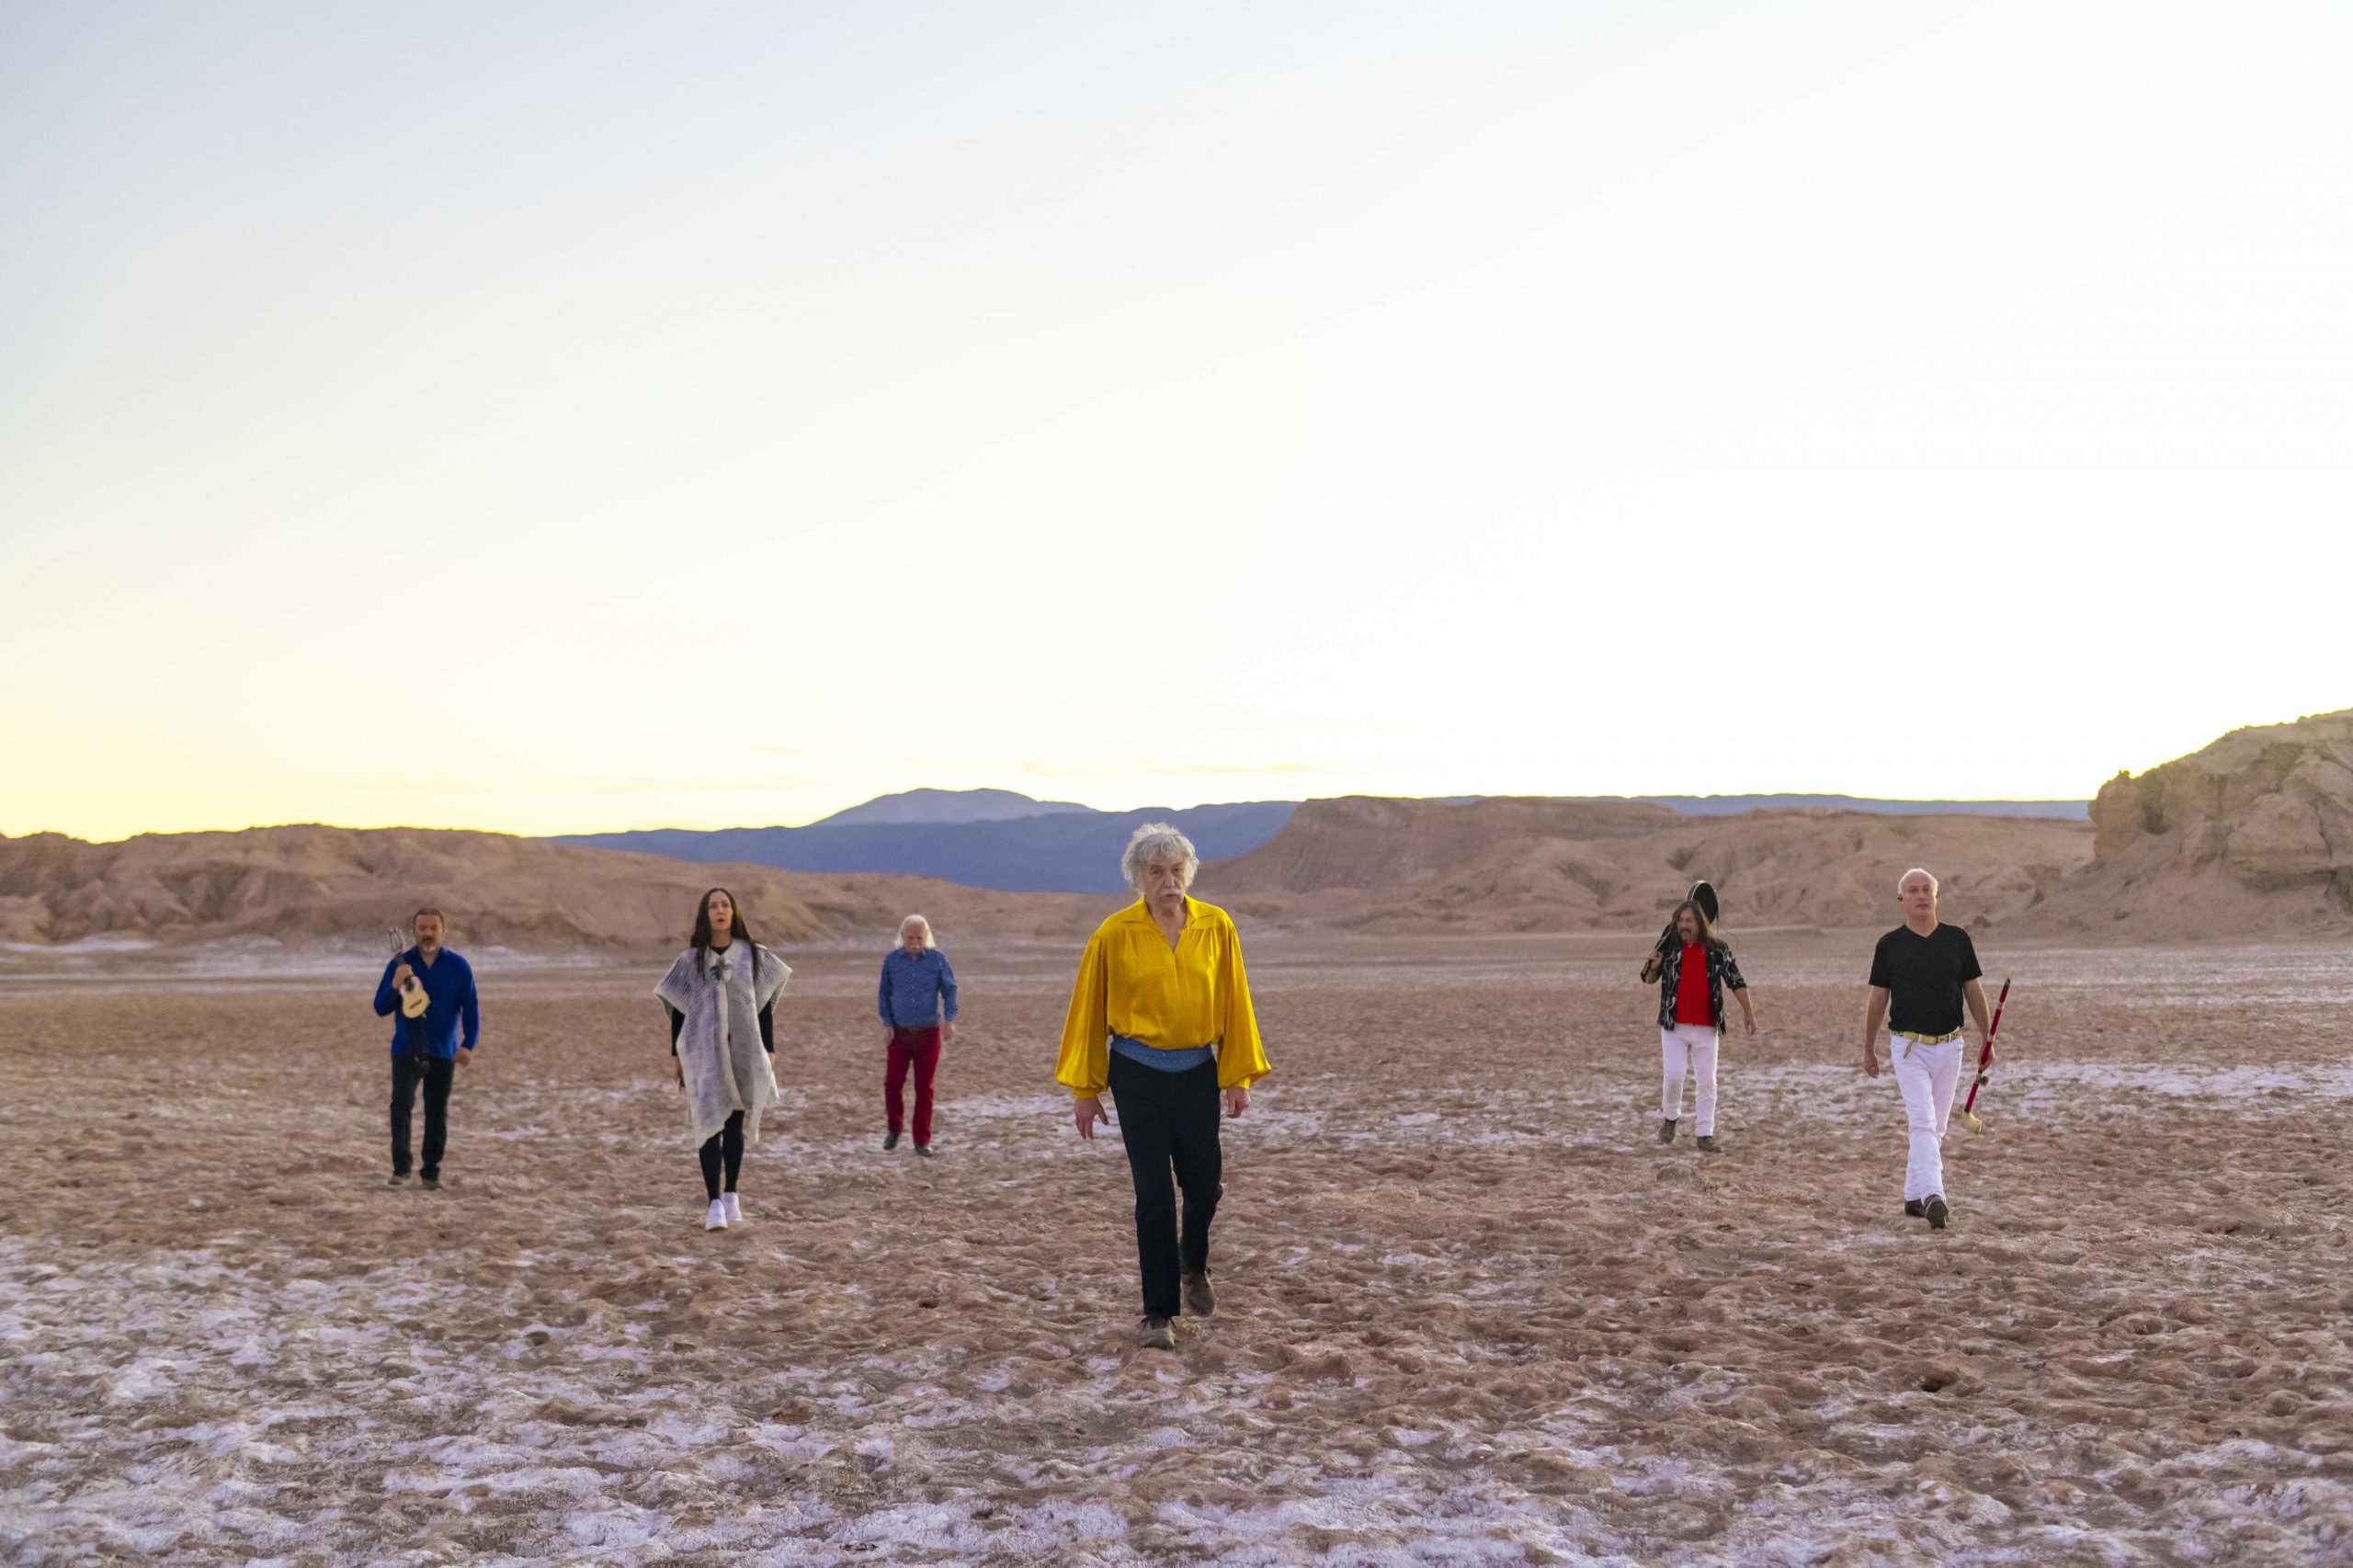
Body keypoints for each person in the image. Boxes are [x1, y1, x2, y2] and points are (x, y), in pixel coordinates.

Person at [1056, 823, 1269, 1351]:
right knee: (1152, 1194)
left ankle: (1192, 1263)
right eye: (1157, 872)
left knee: (1204, 1186)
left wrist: (1236, 1074)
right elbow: (1088, 1012)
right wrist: (1086, 1089)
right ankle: (1158, 1314)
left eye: (1176, 870)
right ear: (1139, 878)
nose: (1168, 881)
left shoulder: (1216, 927)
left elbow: (1234, 1000)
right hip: (1137, 1075)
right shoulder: (1113, 934)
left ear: (1188, 874)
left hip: (1197, 1072)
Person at [1861, 868, 1994, 1231]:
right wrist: (1869, 1047)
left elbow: (1974, 991)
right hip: (1908, 1047)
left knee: (1935, 1128)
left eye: (1926, 890)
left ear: (1937, 897)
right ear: (1901, 899)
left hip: (1951, 1046)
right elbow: (1878, 998)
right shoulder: (1889, 945)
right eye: (1912, 890)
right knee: (1922, 1121)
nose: (1920, 896)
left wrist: (1987, 1039)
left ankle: (1913, 1196)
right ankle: (1935, 1195)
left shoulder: (1957, 939)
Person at [656, 888, 790, 1232]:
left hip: (743, 1050)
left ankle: (731, 1193)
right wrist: (676, 1055)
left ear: (734, 912)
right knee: (707, 1125)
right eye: (713, 906)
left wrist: (769, 1049)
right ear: (705, 914)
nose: (720, 910)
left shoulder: (751, 956)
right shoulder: (690, 961)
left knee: (733, 1126)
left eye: (725, 905)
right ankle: (713, 1203)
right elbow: (679, 1011)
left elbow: (761, 1007)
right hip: (703, 1053)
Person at [371, 908, 480, 1191]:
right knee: (401, 1105)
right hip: (407, 1048)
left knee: (436, 1112)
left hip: (444, 1050)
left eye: (433, 928)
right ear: (414, 932)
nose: (428, 933)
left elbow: (470, 1008)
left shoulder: (458, 966)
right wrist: (395, 985)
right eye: (422, 928)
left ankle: (431, 1172)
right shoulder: (400, 965)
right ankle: (401, 1169)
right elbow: (380, 1008)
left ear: (443, 931)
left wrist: (468, 1044)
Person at [1641, 896, 1756, 1152]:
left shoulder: (1718, 949)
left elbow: (1735, 980)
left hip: (1706, 1028)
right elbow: (1646, 978)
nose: (1684, 925)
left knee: (1707, 1081)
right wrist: (1652, 964)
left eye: (1689, 920)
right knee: (1674, 1076)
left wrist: (1749, 1012)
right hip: (1674, 1026)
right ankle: (1670, 1119)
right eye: (1680, 920)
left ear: (1700, 923)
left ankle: (1705, 1134)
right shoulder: (1669, 948)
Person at [877, 914, 958, 1156]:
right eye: (910, 937)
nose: (914, 942)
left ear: (926, 937)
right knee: (892, 1084)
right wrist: (887, 1023)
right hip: (899, 1034)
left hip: (928, 1034)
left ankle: (921, 1140)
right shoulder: (891, 961)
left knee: (925, 1088)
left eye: (919, 937)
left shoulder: (937, 960)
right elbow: (884, 994)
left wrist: (950, 1020)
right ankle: (894, 1128)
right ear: (902, 937)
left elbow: (950, 989)